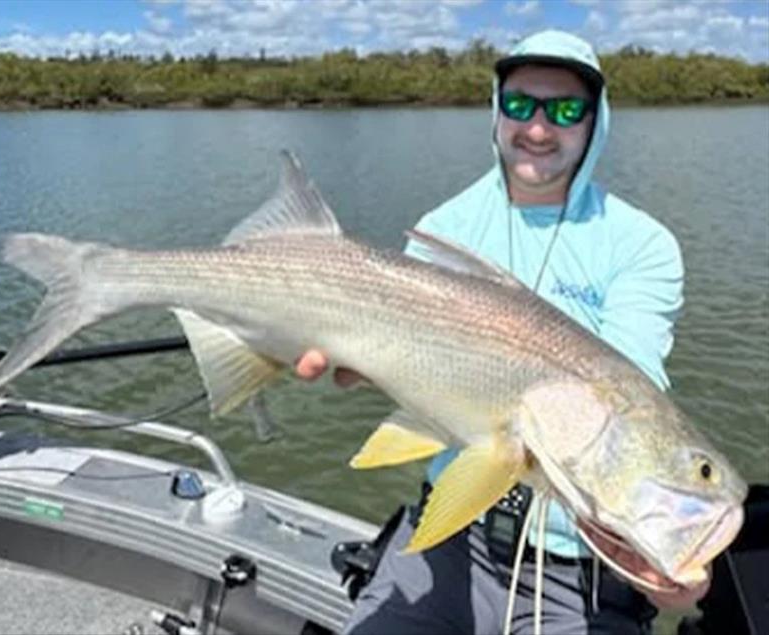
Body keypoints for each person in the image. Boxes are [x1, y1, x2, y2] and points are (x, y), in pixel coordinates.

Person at [298, 30, 706, 634]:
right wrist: (362, 361)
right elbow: (416, 377)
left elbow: (630, 397)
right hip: (445, 538)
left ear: (596, 122)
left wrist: (663, 538)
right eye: (520, 105)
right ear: (495, 110)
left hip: (578, 571)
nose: (538, 129)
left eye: (565, 110)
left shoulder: (643, 246)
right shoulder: (443, 230)